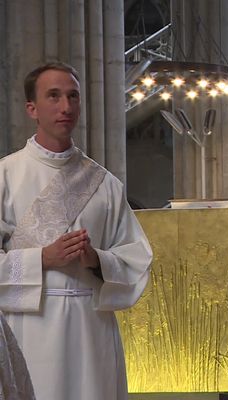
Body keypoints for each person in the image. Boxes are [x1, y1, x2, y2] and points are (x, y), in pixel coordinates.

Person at [0, 62, 153, 400]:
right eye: (53, 96)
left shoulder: (105, 184)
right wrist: (42, 257)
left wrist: (95, 259)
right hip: (29, 327)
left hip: (90, 329)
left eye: (73, 97)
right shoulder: (5, 176)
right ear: (32, 109)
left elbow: (136, 259)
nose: (65, 107)